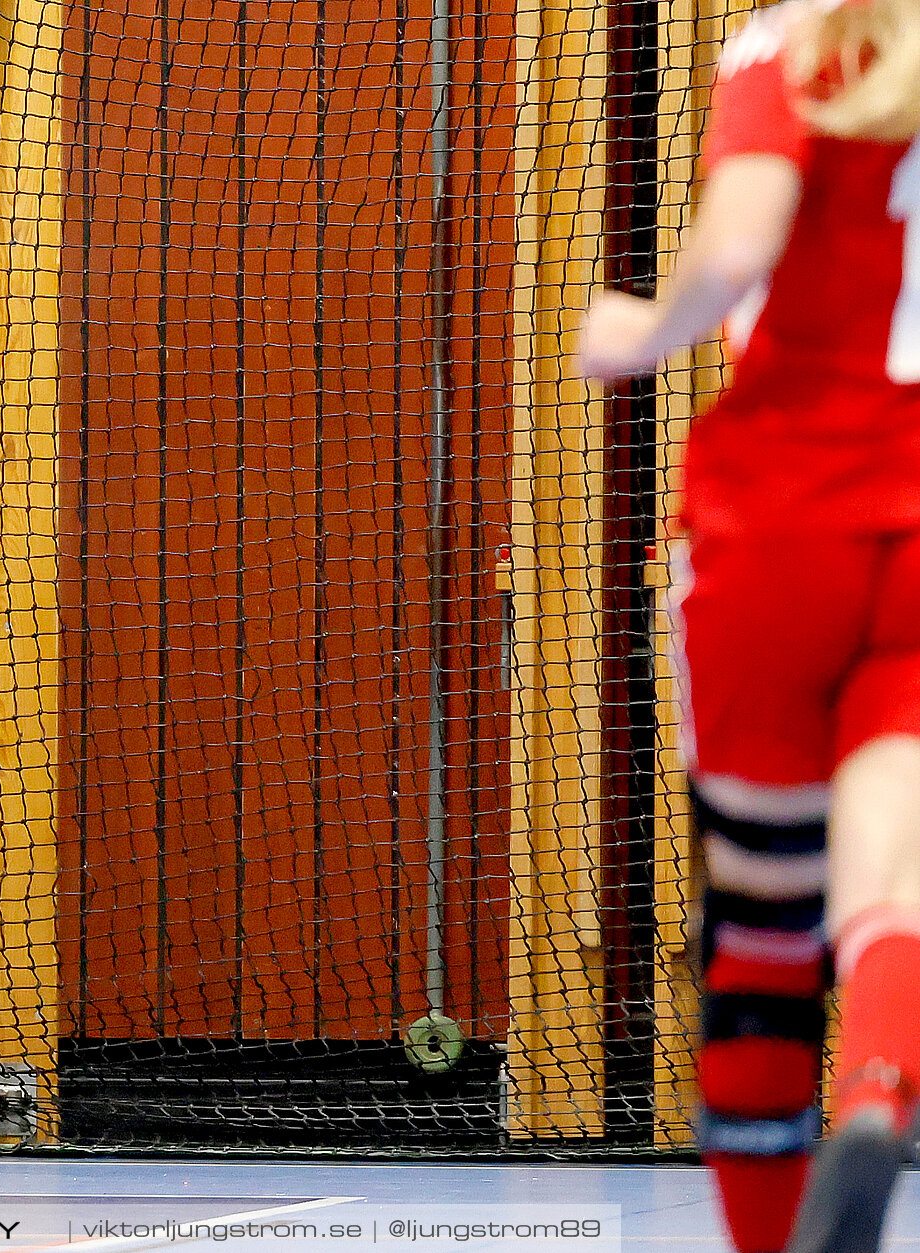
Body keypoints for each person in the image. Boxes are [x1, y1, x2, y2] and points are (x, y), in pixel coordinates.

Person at [580, 2, 920, 1248]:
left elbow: (738, 245)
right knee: (892, 898)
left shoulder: (789, 51)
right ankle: (877, 1096)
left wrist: (641, 328)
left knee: (768, 928)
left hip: (783, 522)